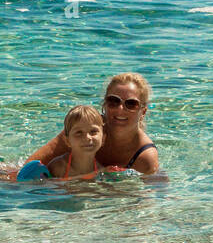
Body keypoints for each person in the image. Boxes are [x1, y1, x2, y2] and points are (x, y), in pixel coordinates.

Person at [25, 73, 160, 175]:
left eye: (131, 104)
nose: (120, 109)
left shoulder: (145, 157)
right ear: (104, 104)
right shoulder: (84, 127)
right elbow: (31, 165)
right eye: (113, 101)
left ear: (143, 111)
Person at [46, 106, 106, 180]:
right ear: (67, 141)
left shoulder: (100, 170)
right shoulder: (58, 167)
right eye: (79, 132)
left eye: (93, 131)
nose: (87, 137)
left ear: (103, 139)